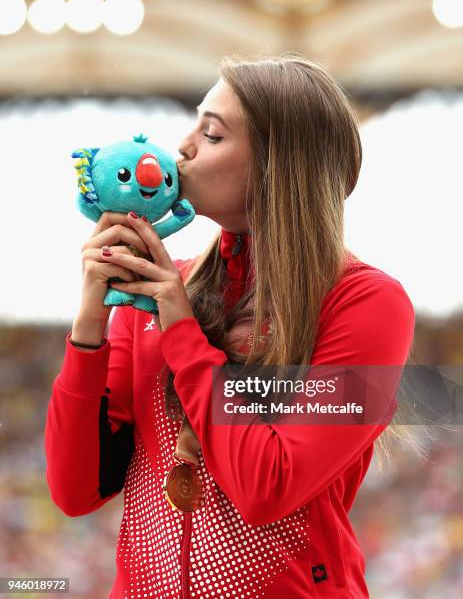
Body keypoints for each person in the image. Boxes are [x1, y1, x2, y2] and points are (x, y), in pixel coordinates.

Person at [45, 54, 415, 598]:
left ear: (277, 164)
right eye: (194, 124)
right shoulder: (165, 286)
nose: (183, 148)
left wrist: (180, 330)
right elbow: (75, 491)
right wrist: (89, 326)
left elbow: (267, 486)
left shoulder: (367, 303)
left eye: (211, 134)